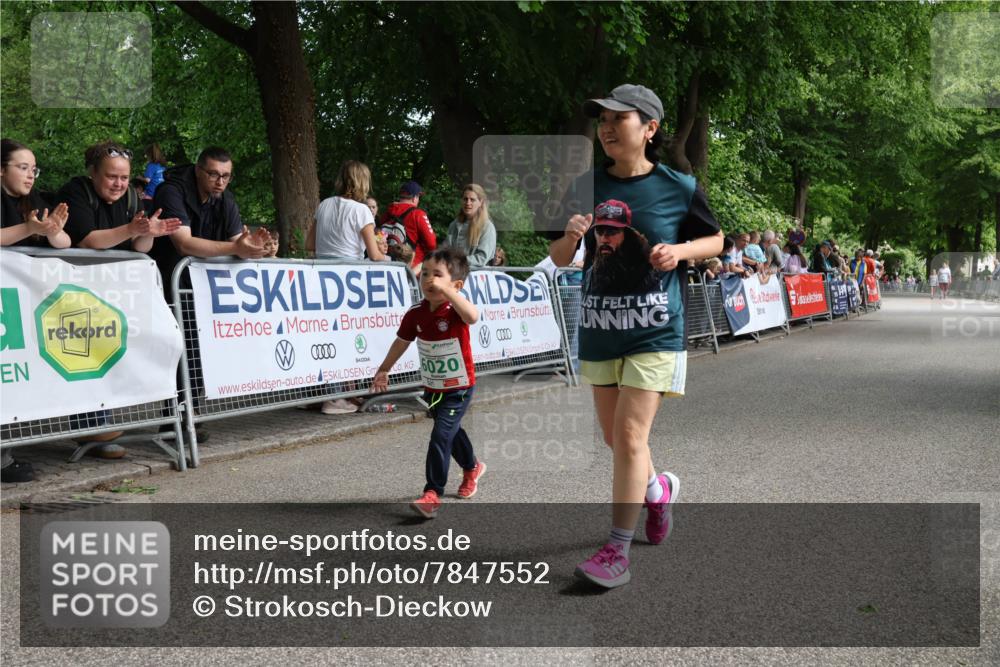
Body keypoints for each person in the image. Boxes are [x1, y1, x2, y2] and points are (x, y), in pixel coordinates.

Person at [548, 84, 723, 588]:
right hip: (600, 328)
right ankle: (657, 491)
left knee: (629, 436)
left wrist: (680, 252)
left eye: (618, 119)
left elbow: (716, 239)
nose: (606, 127)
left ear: (649, 128)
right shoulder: (584, 186)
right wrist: (571, 237)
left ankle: (616, 552)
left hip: (656, 331)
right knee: (614, 438)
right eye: (602, 120)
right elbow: (559, 257)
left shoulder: (678, 186)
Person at [371, 247, 485, 518]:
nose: (429, 280)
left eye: (437, 275)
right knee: (451, 431)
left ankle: (432, 493)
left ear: (456, 285)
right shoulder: (416, 313)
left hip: (459, 387)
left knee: (441, 435)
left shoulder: (455, 310)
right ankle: (472, 467)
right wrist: (384, 369)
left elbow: (473, 316)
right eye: (424, 274)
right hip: (434, 387)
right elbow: (401, 342)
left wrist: (449, 293)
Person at [153, 145, 274, 296]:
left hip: (206, 288)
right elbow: (184, 244)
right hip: (167, 285)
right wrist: (236, 248)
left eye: (226, 176)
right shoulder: (171, 192)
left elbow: (238, 241)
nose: (220, 182)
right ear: (198, 170)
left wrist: (251, 248)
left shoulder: (226, 199)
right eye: (213, 174)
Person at [58, 140, 181, 253]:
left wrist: (148, 234)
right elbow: (87, 242)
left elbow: (139, 247)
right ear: (93, 172)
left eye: (124, 178)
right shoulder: (75, 192)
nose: (118, 184)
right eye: (111, 176)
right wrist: (129, 230)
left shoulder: (131, 196)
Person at [308, 160, 385, 263]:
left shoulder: (324, 204)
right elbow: (374, 256)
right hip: (350, 268)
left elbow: (310, 244)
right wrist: (386, 258)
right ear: (363, 183)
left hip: (321, 267)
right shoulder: (361, 210)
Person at [1, 138, 70, 249]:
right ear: (2, 169)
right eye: (24, 168)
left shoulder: (33, 198)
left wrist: (53, 233)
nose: (31, 175)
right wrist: (29, 228)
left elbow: (66, 242)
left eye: (33, 170)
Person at [380, 180, 436, 270]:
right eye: (418, 197)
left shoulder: (388, 211)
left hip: (386, 262)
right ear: (414, 198)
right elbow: (431, 244)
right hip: (410, 267)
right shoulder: (418, 214)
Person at [444, 184, 496, 269]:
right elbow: (445, 250)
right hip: (453, 273)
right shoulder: (453, 225)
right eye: (465, 199)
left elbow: (482, 258)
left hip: (476, 275)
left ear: (480, 202)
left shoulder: (487, 227)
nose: (468, 203)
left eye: (472, 200)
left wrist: (458, 262)